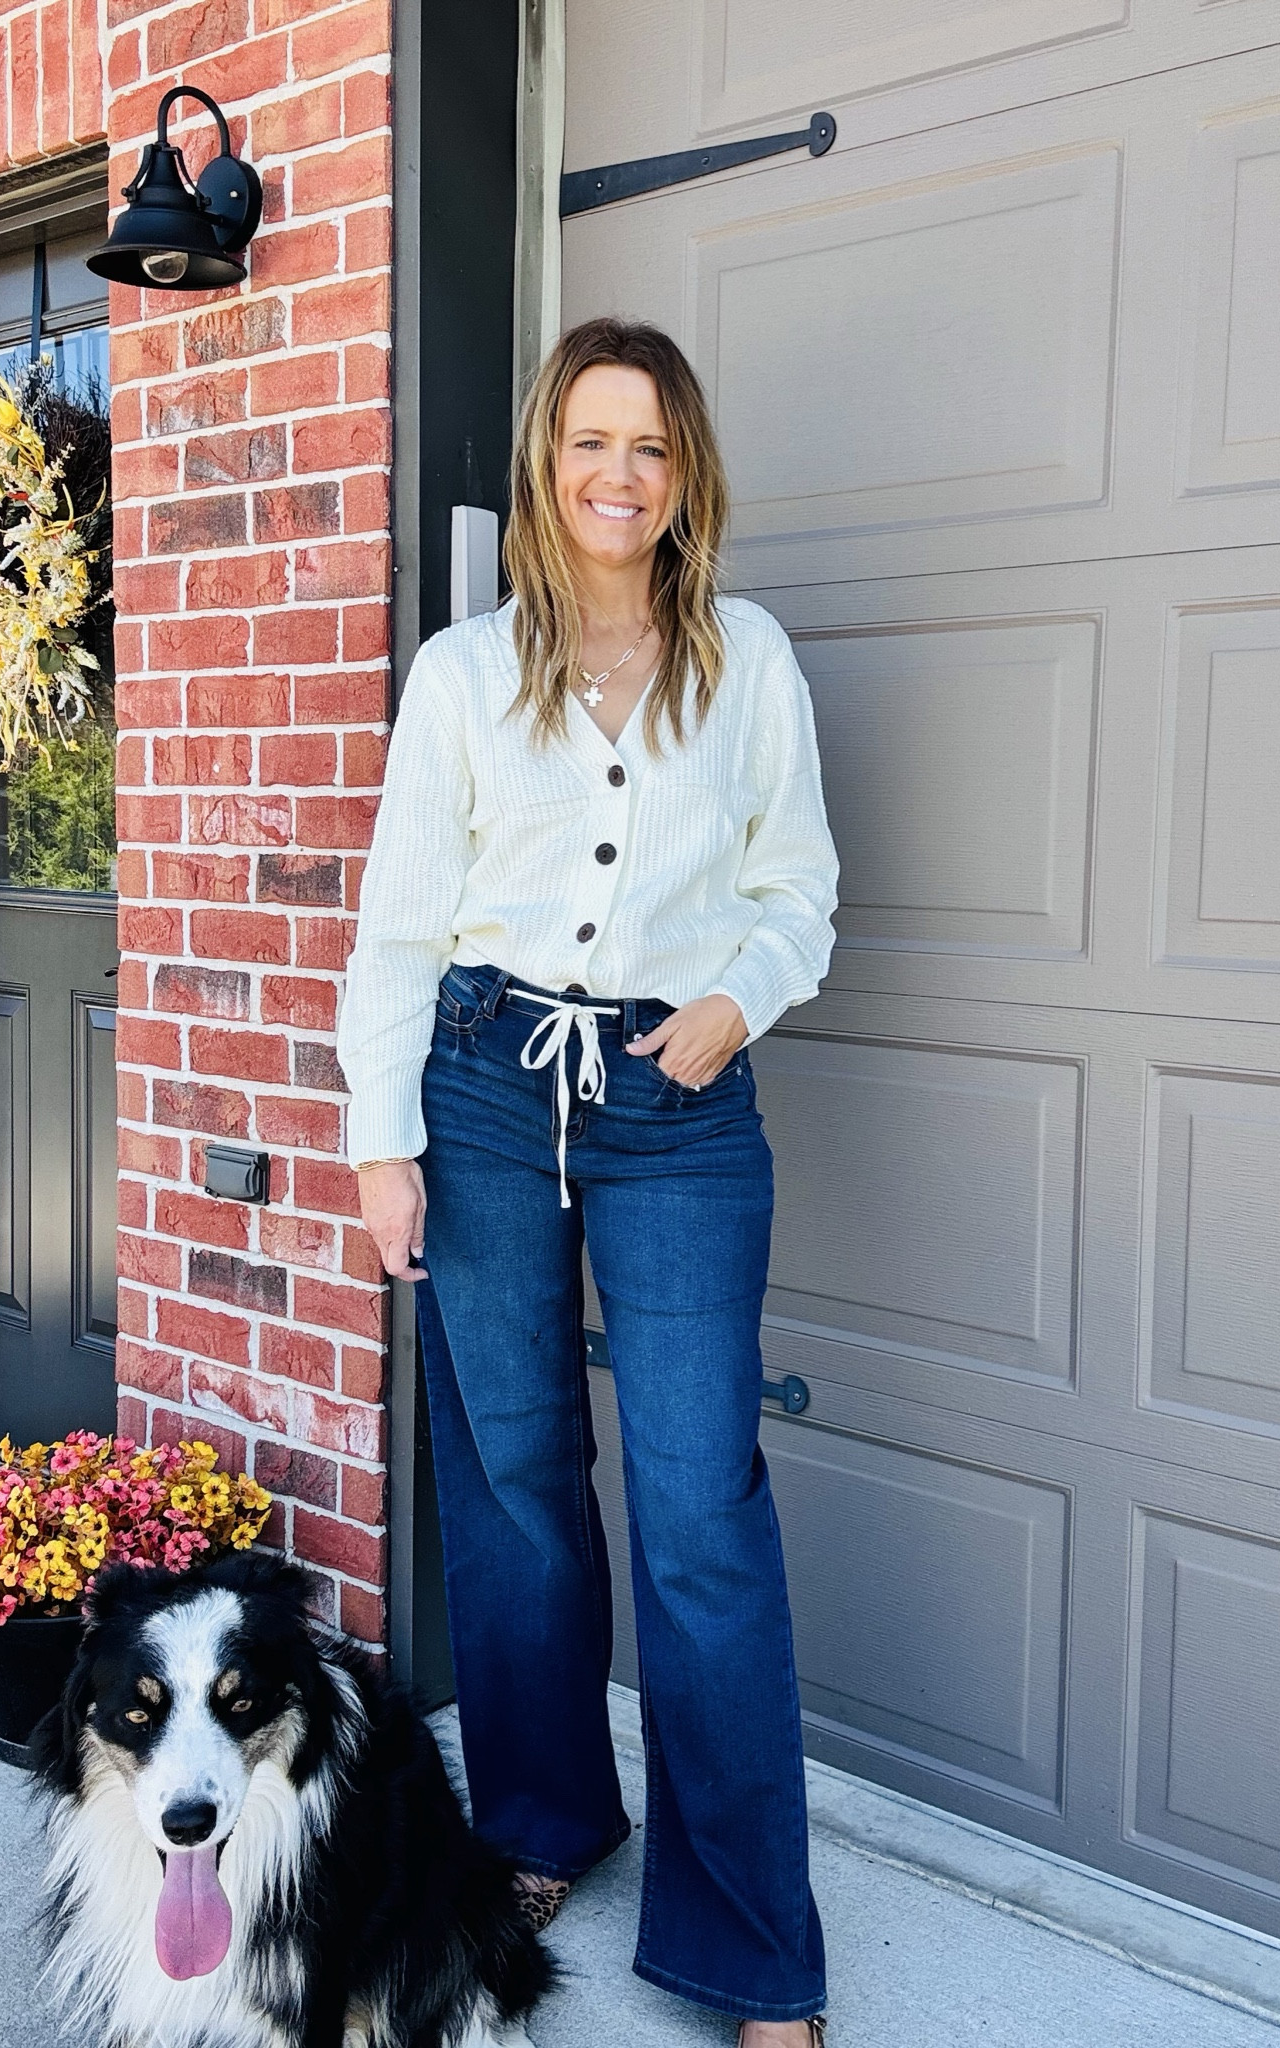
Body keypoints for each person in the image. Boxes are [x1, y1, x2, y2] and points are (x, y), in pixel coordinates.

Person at [339, 316, 838, 2046]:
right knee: (517, 1480)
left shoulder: (744, 657)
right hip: (482, 1093)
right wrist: (380, 1140)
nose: (618, 475)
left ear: (685, 472)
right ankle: (544, 1816)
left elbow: (800, 886)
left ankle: (753, 1946)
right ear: (545, 463)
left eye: (651, 446)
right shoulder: (466, 671)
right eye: (589, 442)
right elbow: (402, 921)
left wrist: (730, 1003)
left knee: (703, 1512)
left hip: (677, 1102)